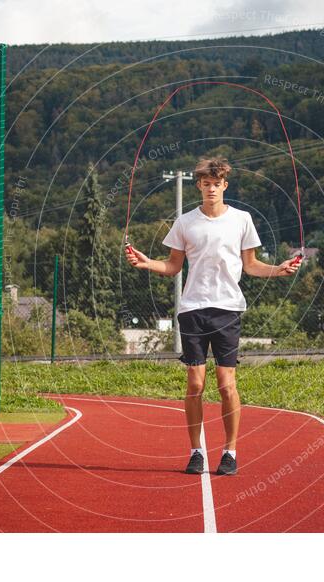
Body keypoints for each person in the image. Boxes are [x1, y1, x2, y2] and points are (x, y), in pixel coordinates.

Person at [125, 156, 301, 476]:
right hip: (192, 308)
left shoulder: (242, 220)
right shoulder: (185, 222)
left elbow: (251, 265)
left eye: (216, 184)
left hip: (228, 309)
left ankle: (230, 452)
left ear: (225, 186)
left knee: (225, 384)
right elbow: (173, 266)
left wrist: (279, 270)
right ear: (199, 186)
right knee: (195, 383)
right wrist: (147, 262)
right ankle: (196, 452)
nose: (211, 189)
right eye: (205, 184)